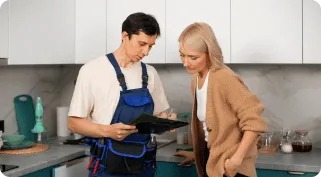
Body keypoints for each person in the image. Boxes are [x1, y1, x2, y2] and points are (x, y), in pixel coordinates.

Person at [68, 12, 173, 177]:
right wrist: (107, 131)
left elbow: (157, 115)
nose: (146, 52)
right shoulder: (92, 70)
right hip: (106, 166)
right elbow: (73, 123)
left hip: (143, 165)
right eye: (142, 43)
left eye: (151, 46)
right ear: (125, 36)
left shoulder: (150, 73)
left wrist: (166, 120)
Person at [173, 22, 268, 177]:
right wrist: (198, 155)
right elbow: (209, 127)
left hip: (232, 167)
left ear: (210, 53)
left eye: (193, 57)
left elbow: (254, 121)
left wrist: (235, 161)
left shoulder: (223, 77)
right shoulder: (196, 79)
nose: (185, 63)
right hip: (213, 162)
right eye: (182, 55)